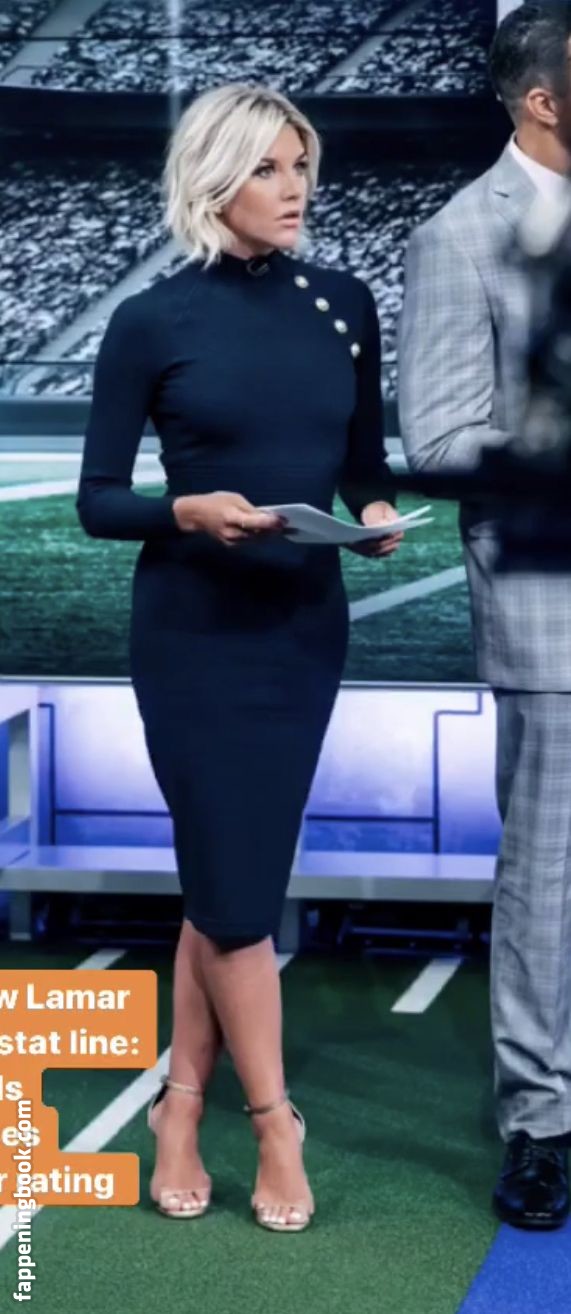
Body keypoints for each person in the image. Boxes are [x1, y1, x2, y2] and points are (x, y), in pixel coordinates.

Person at [76, 83, 401, 1232]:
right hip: (193, 634)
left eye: (300, 165)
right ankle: (273, 1124)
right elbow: (98, 500)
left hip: (301, 628)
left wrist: (374, 511)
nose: (294, 187)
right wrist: (186, 510)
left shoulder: (345, 303)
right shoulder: (150, 319)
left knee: (230, 883)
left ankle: (179, 1107)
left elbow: (364, 461)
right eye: (267, 167)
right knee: (236, 890)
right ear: (213, 178)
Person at [398, 1, 571, 1231]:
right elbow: (441, 437)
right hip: (553, 615)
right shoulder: (458, 235)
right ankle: (542, 1120)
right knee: (549, 884)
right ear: (543, 98)